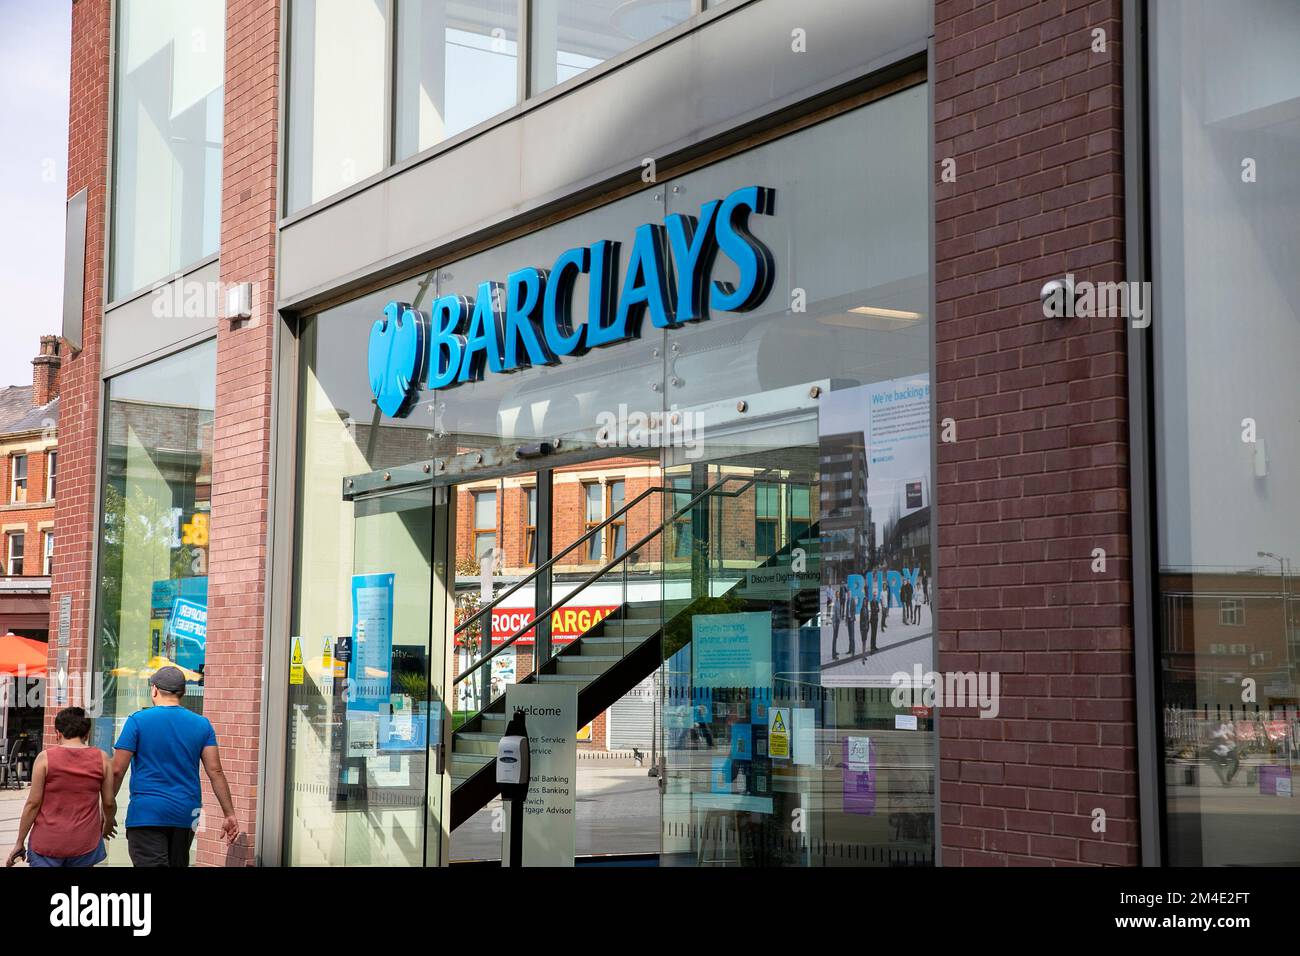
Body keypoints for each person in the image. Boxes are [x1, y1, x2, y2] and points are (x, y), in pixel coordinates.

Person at [111, 666, 240, 867]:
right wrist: (229, 813)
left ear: (154, 690)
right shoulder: (202, 724)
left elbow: (117, 770)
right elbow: (215, 771)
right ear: (183, 692)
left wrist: (107, 809)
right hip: (186, 815)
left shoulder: (137, 721)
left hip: (147, 814)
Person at [6, 707, 114, 868]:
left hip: (47, 843)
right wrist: (109, 823)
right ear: (87, 733)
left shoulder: (45, 759)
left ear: (58, 733)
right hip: (85, 844)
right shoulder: (103, 758)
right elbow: (109, 802)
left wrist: (20, 842)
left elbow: (33, 804)